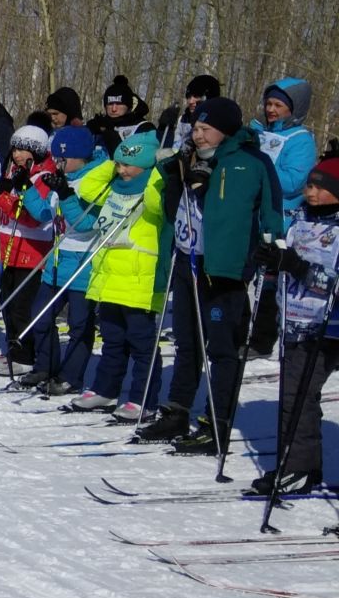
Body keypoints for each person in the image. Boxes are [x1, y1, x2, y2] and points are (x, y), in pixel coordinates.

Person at [140, 97, 284, 456]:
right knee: (187, 342)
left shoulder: (250, 161)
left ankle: (216, 422)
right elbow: (166, 187)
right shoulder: (188, 158)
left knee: (221, 348)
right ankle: (177, 409)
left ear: (226, 130)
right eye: (197, 129)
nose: (199, 135)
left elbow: (272, 208)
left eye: (206, 129)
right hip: (189, 258)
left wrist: (273, 246)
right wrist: (174, 167)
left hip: (226, 267)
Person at [70, 129, 170, 422]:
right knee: (112, 339)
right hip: (109, 275)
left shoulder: (153, 188)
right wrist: (114, 160)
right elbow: (87, 187)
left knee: (141, 344)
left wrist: (157, 167)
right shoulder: (113, 186)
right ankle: (106, 389)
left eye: (129, 165)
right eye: (119, 164)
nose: (122, 170)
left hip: (140, 279)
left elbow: (156, 201)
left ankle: (144, 399)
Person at [251, 159, 339, 495]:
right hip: (297, 321)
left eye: (321, 186)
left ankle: (301, 466)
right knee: (295, 397)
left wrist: (298, 267)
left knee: (299, 395)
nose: (311, 192)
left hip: (328, 326)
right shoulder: (300, 219)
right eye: (309, 185)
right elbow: (289, 260)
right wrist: (272, 260)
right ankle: (300, 467)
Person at [20, 126, 102, 394]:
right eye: (56, 158)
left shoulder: (95, 179)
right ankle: (45, 365)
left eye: (63, 159)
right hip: (57, 260)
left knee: (79, 324)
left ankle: (71, 376)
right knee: (40, 317)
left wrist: (66, 195)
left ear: (80, 156)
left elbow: (86, 222)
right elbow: (45, 213)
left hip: (83, 260)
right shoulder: (61, 177)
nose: (58, 164)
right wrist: (26, 188)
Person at [246, 77, 318, 359]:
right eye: (269, 103)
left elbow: (292, 181)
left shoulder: (300, 139)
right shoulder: (257, 131)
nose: (271, 109)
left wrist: (261, 167)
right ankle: (237, 330)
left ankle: (262, 339)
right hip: (250, 216)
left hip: (280, 219)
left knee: (270, 281)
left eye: (278, 105)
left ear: (294, 108)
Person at [0, 125, 55, 369]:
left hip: (32, 249)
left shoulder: (42, 177)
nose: (16, 154)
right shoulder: (14, 172)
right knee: (7, 302)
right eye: (14, 148)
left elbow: (33, 215)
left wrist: (4, 199)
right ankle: (13, 351)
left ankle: (25, 357)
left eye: (23, 149)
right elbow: (0, 209)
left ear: (36, 151)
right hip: (10, 247)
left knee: (21, 307)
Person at [156, 74, 220, 152]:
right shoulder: (183, 119)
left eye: (197, 96)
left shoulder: (219, 123)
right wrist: (164, 129)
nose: (190, 101)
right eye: (188, 96)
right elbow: (173, 149)